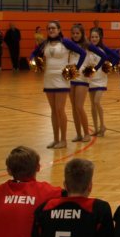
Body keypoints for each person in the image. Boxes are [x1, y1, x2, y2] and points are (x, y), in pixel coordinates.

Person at [29, 21, 87, 149]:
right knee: (53, 110)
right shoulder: (45, 43)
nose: (51, 30)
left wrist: (75, 68)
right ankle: (55, 139)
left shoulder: (65, 42)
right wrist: (32, 60)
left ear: (59, 29)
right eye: (49, 28)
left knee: (60, 109)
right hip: (48, 78)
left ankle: (63, 140)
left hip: (61, 78)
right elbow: (34, 53)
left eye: (53, 28)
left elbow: (83, 53)